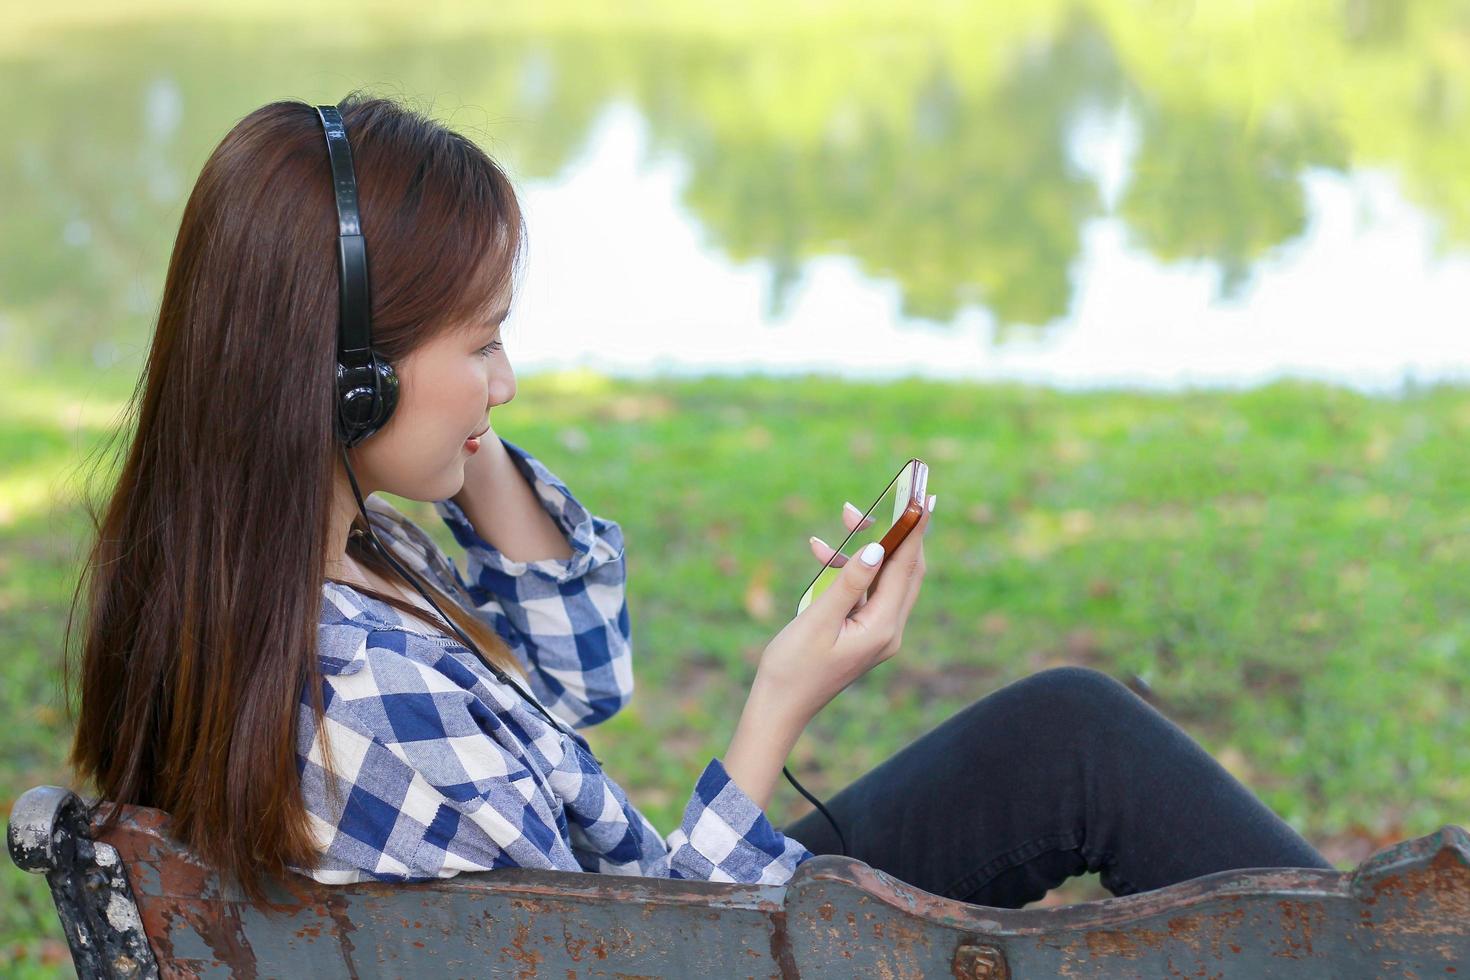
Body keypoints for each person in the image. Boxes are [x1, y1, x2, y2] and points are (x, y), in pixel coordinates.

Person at [64, 93, 1333, 911]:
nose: (507, 377)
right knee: (1082, 746)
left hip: (666, 909)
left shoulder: (275, 570)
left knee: (1067, 730)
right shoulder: (372, 702)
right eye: (485, 341)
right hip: (699, 936)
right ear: (345, 380)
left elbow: (583, 670)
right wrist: (780, 697)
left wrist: (465, 425)